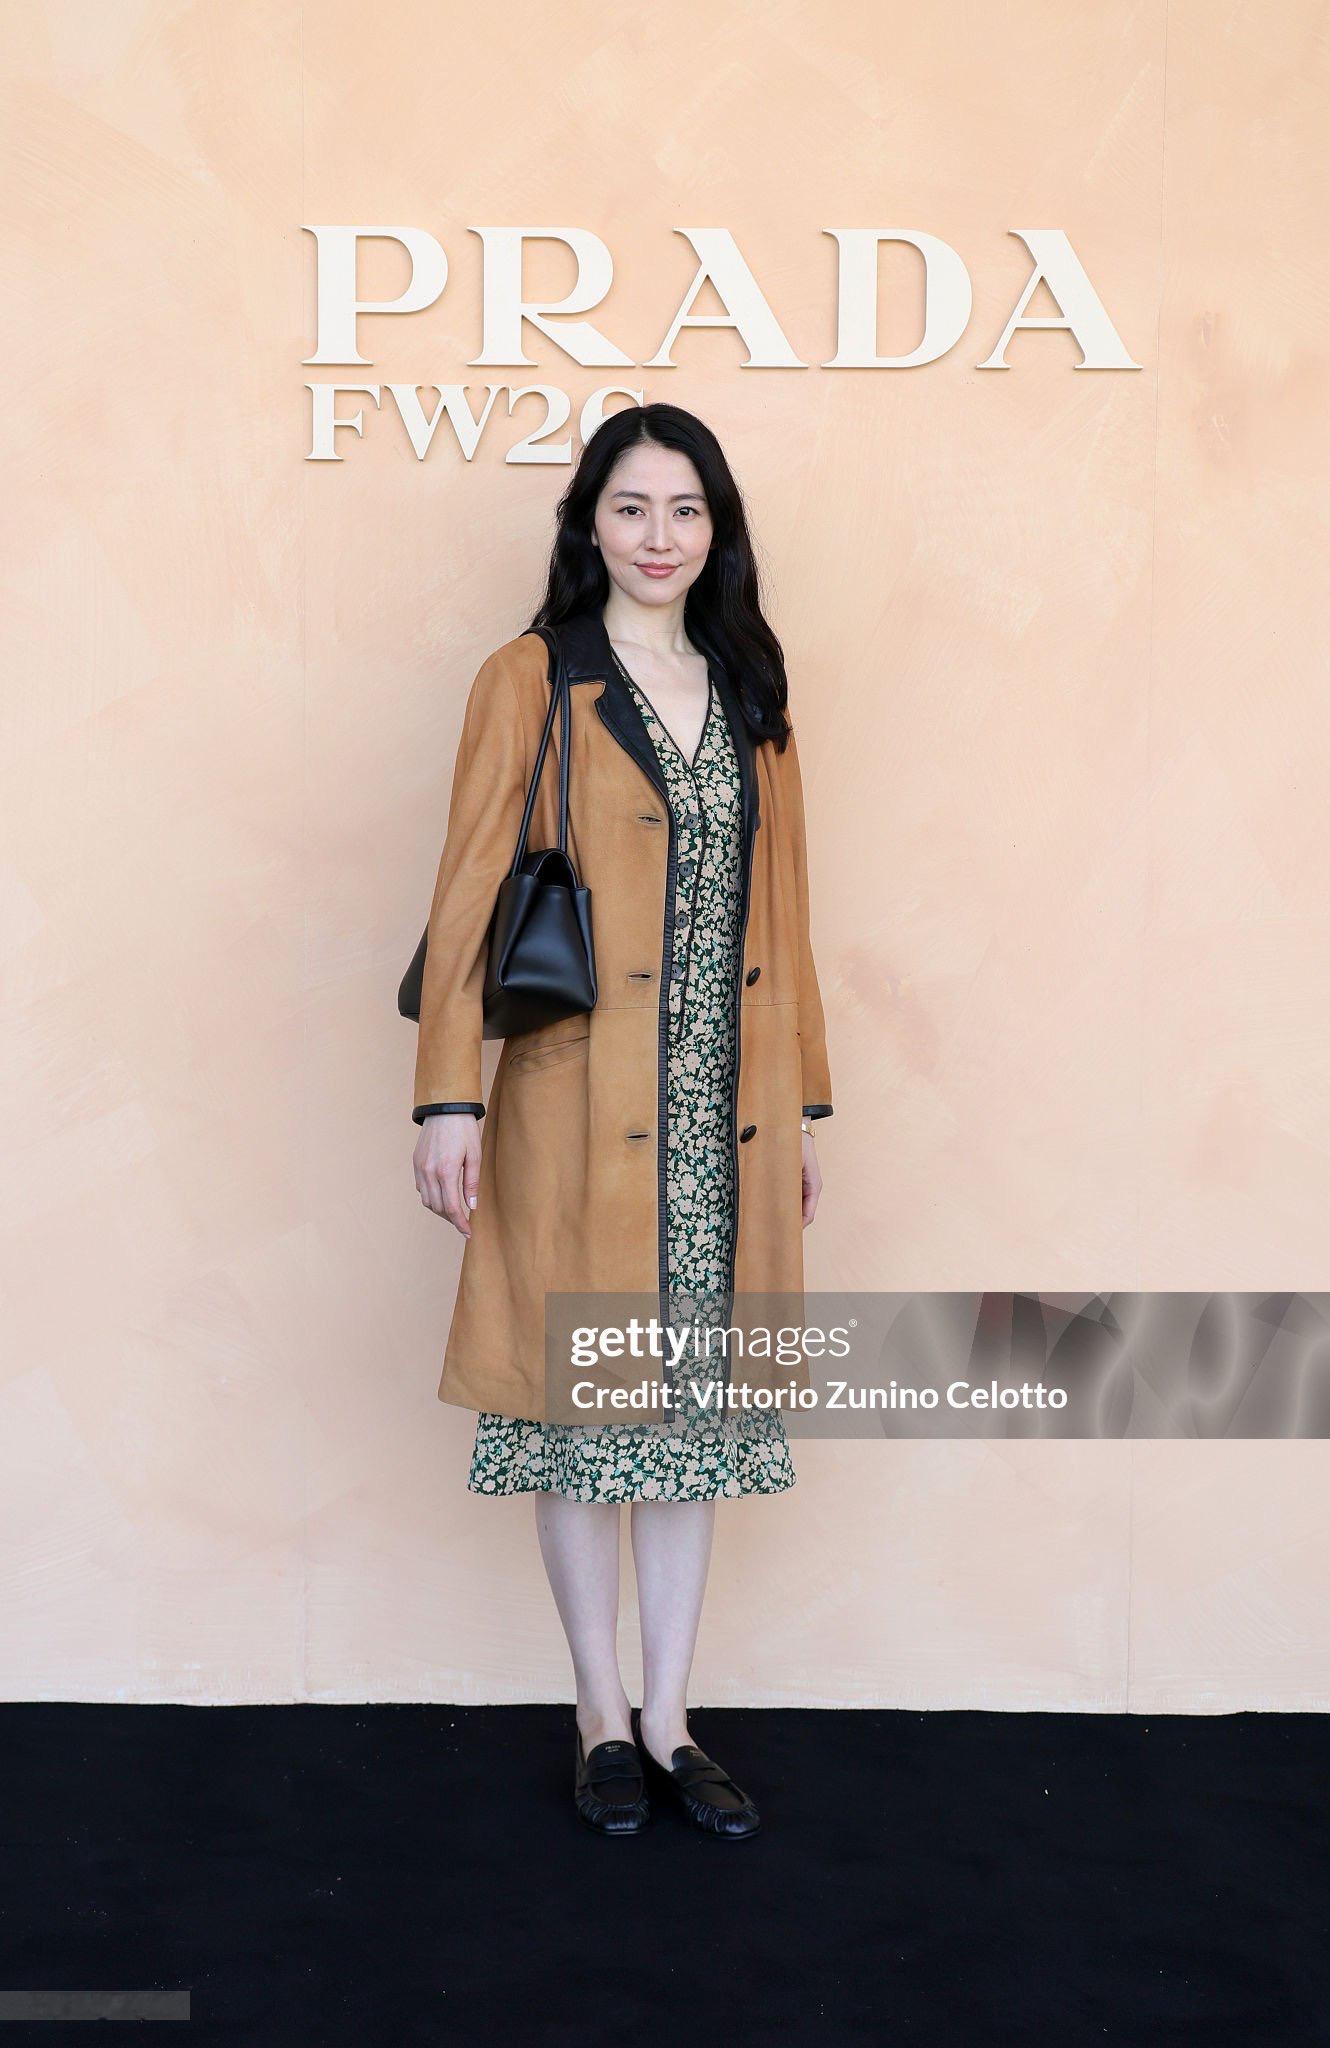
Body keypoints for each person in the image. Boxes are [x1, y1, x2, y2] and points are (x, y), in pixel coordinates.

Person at [410, 402, 834, 1837]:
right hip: (580, 1102)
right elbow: (465, 894)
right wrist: (448, 1097)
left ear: (718, 529)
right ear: (589, 524)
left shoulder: (751, 686)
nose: (660, 536)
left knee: (690, 1431)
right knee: (587, 1425)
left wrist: (803, 1106)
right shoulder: (532, 679)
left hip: (727, 1114)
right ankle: (599, 1718)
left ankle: (672, 1720)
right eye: (632, 507)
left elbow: (789, 912)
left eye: (686, 509)